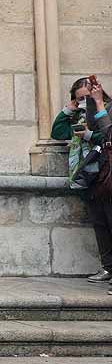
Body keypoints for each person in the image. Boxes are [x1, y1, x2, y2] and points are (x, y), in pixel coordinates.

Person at [54, 77, 112, 285]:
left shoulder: (107, 109)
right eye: (80, 99)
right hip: (89, 174)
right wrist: (69, 109)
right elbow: (57, 132)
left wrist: (90, 135)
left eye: (87, 97)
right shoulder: (79, 115)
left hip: (107, 170)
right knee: (100, 224)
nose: (84, 102)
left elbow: (108, 136)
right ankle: (108, 268)